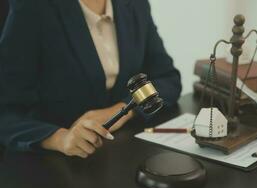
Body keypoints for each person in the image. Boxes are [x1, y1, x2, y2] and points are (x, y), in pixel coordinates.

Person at [0, 0, 182, 158]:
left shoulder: (135, 4)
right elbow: (6, 112)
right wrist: (60, 139)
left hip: (121, 152)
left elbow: (167, 78)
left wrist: (123, 110)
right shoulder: (32, 7)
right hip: (52, 164)